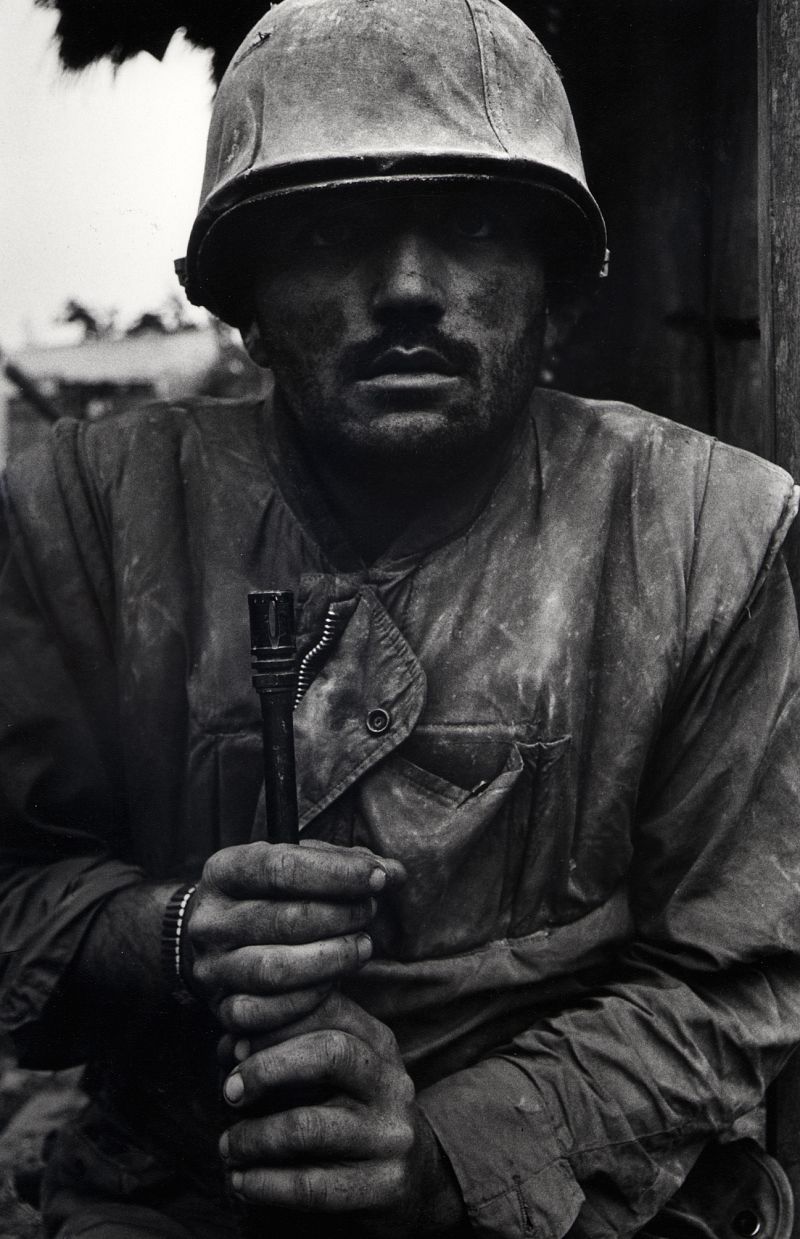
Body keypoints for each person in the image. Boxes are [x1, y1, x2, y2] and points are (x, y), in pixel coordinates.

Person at [2, 0, 800, 1236]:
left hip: (582, 1189)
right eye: (329, 232)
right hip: (184, 1186)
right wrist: (163, 935)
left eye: (474, 227)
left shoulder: (708, 531)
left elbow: (731, 977)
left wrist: (453, 1154)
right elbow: (15, 890)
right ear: (245, 303)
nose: (410, 289)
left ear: (559, 299)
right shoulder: (81, 517)